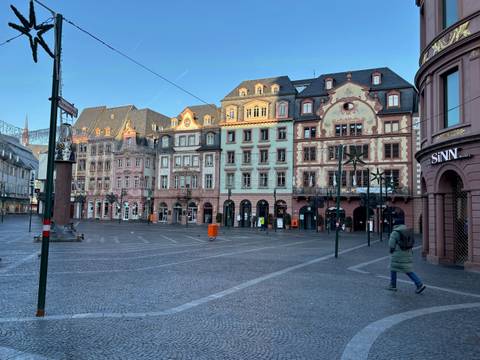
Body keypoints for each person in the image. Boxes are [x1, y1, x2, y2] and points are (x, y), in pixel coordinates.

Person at [387, 219, 426, 294]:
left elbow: (391, 245)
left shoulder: (395, 232)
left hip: (398, 254)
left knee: (394, 268)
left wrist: (391, 251)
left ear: (395, 225)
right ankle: (418, 284)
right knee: (407, 269)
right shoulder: (407, 231)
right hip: (408, 253)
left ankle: (418, 284)